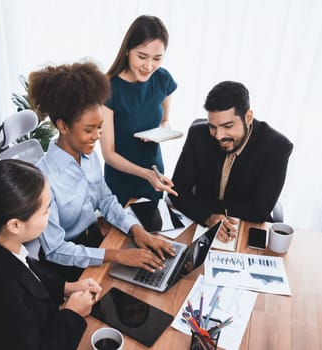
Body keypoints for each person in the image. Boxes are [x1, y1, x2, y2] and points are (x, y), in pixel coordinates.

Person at [29, 61, 175, 282]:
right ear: (63, 126)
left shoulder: (88, 156)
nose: (97, 136)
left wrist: (137, 230)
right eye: (89, 129)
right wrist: (117, 256)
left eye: (99, 127)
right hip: (67, 264)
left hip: (98, 240)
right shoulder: (43, 178)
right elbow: (56, 249)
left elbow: (106, 200)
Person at [0, 159, 101, 349]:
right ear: (15, 225)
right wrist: (72, 313)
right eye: (46, 210)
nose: (51, 213)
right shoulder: (0, 289)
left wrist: (67, 287)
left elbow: (32, 280)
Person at [169, 81, 293, 242]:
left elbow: (259, 210)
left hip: (245, 228)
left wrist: (200, 203)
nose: (219, 135)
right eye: (213, 126)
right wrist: (208, 217)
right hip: (202, 222)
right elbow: (177, 190)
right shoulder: (198, 134)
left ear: (248, 117)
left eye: (227, 126)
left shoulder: (276, 146)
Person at [101, 15, 178, 206]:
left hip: (154, 172)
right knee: (120, 234)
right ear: (127, 50)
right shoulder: (109, 88)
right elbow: (109, 154)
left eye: (157, 58)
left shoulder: (162, 79)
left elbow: (165, 121)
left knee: (155, 231)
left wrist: (160, 132)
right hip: (121, 180)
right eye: (142, 56)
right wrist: (146, 174)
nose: (149, 66)